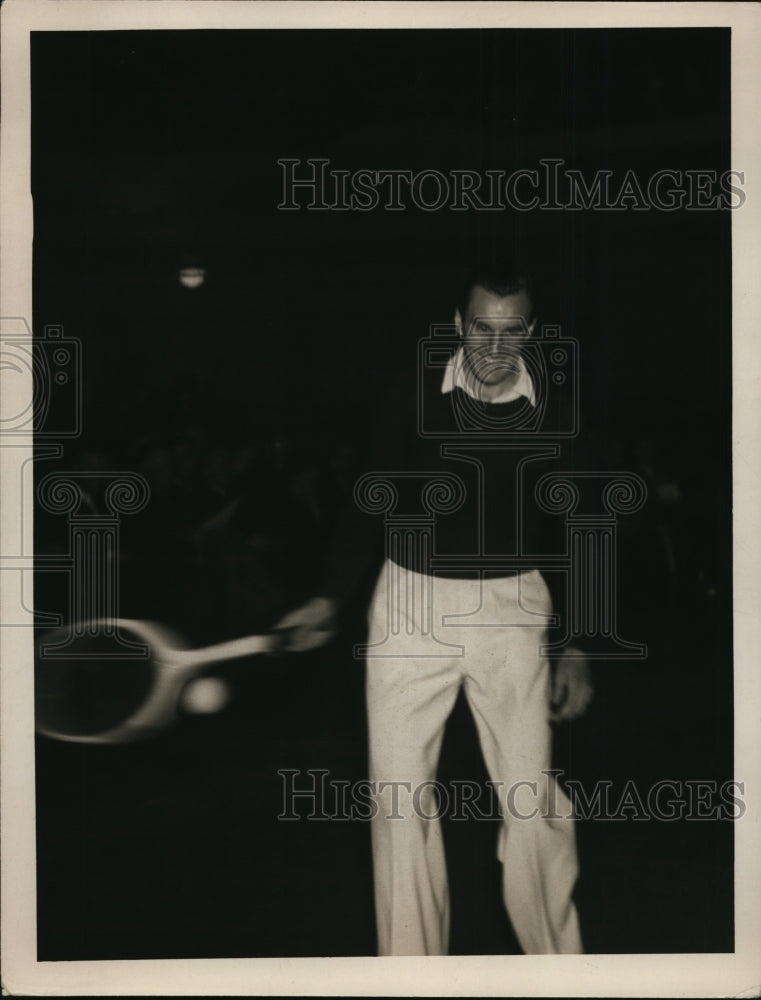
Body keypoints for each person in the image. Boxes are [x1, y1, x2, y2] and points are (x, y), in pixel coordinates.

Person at [275, 264, 594, 956]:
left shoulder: (556, 406)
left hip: (512, 608)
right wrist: (331, 595)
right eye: (481, 327)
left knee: (531, 800)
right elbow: (373, 493)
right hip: (410, 605)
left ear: (531, 333)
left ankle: (561, 968)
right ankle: (412, 974)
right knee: (397, 804)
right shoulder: (412, 391)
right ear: (458, 325)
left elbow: (577, 527)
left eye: (511, 332)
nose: (493, 346)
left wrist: (577, 641)